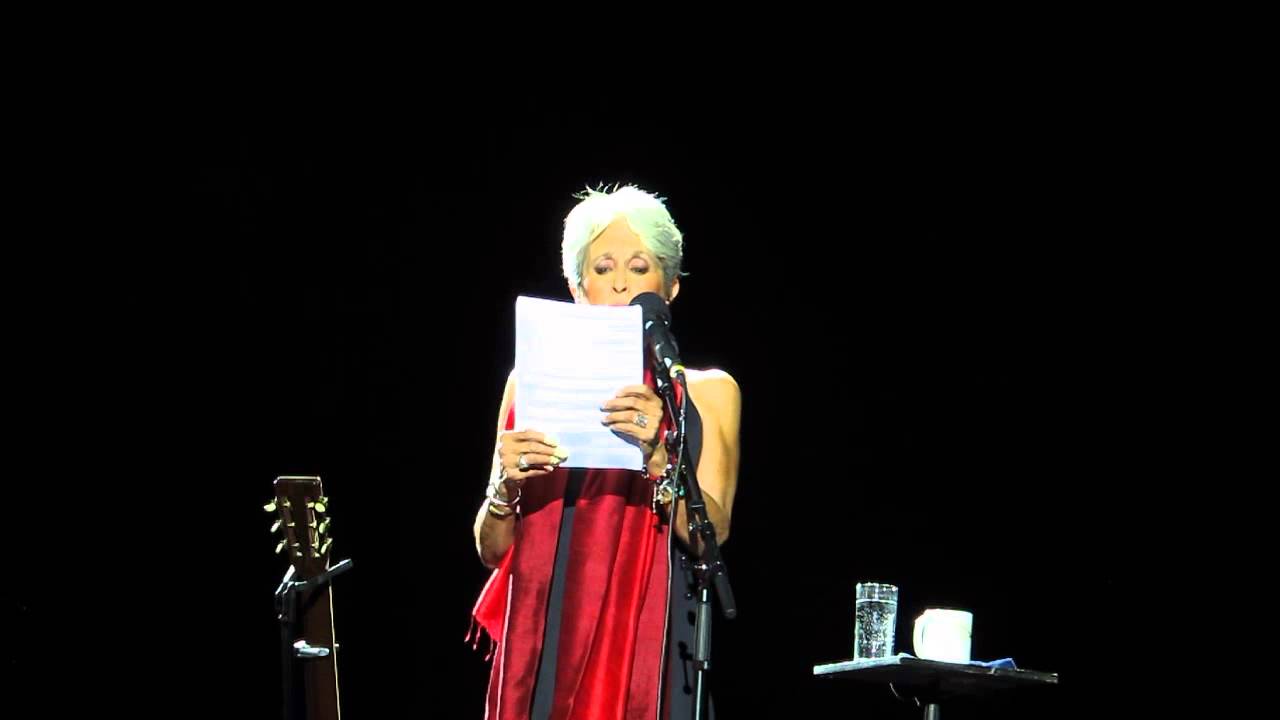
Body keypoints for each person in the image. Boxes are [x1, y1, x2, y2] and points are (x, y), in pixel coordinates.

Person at [470, 184, 741, 719]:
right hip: (546, 633)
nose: (620, 283)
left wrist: (659, 456)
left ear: (669, 288)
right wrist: (504, 487)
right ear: (577, 287)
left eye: (640, 268)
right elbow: (492, 550)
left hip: (656, 636)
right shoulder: (530, 383)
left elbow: (713, 536)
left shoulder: (710, 391)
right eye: (602, 268)